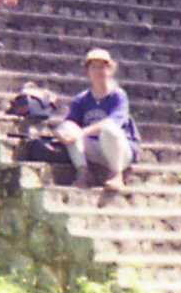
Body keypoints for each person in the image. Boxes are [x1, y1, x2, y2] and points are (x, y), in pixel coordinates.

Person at [55, 47, 139, 192]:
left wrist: (81, 133)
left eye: (103, 67)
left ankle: (117, 175)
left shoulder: (118, 96)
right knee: (68, 128)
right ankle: (83, 172)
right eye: (94, 67)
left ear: (111, 70)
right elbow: (69, 123)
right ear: (88, 71)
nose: (99, 71)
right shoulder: (82, 99)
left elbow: (112, 123)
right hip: (95, 149)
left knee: (109, 130)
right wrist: (61, 134)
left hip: (121, 152)